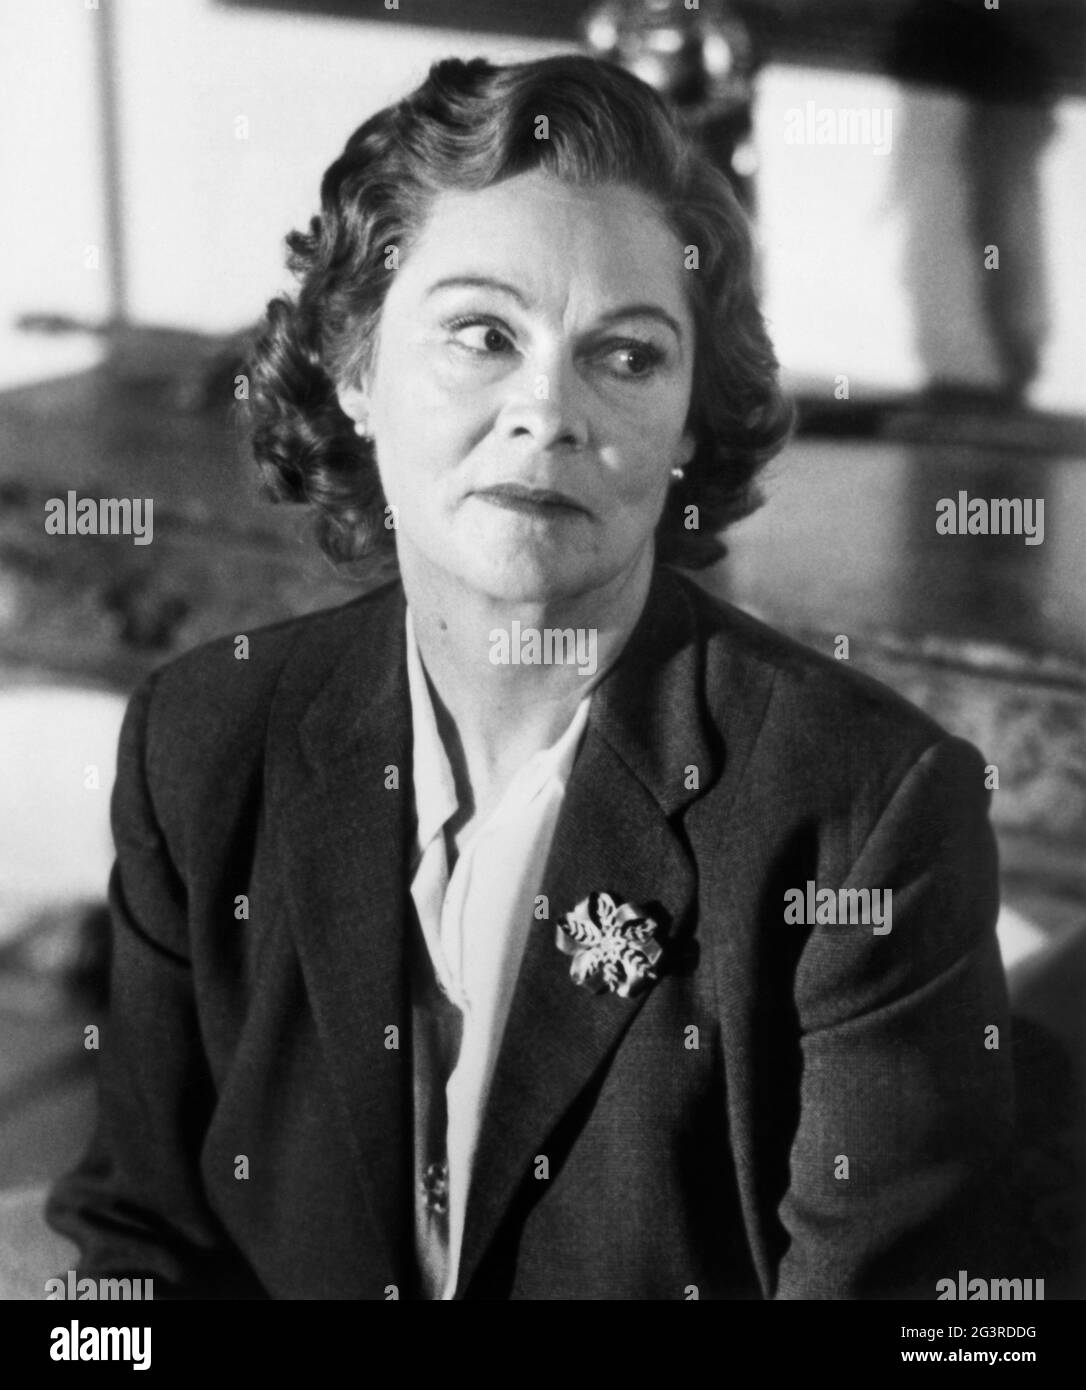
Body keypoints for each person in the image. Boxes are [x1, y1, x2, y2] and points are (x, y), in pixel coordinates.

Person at [46, 53, 1013, 1300]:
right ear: (353, 371)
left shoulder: (863, 819)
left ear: (686, 430)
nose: (545, 410)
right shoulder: (201, 739)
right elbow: (137, 1241)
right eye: (481, 333)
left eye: (626, 357)